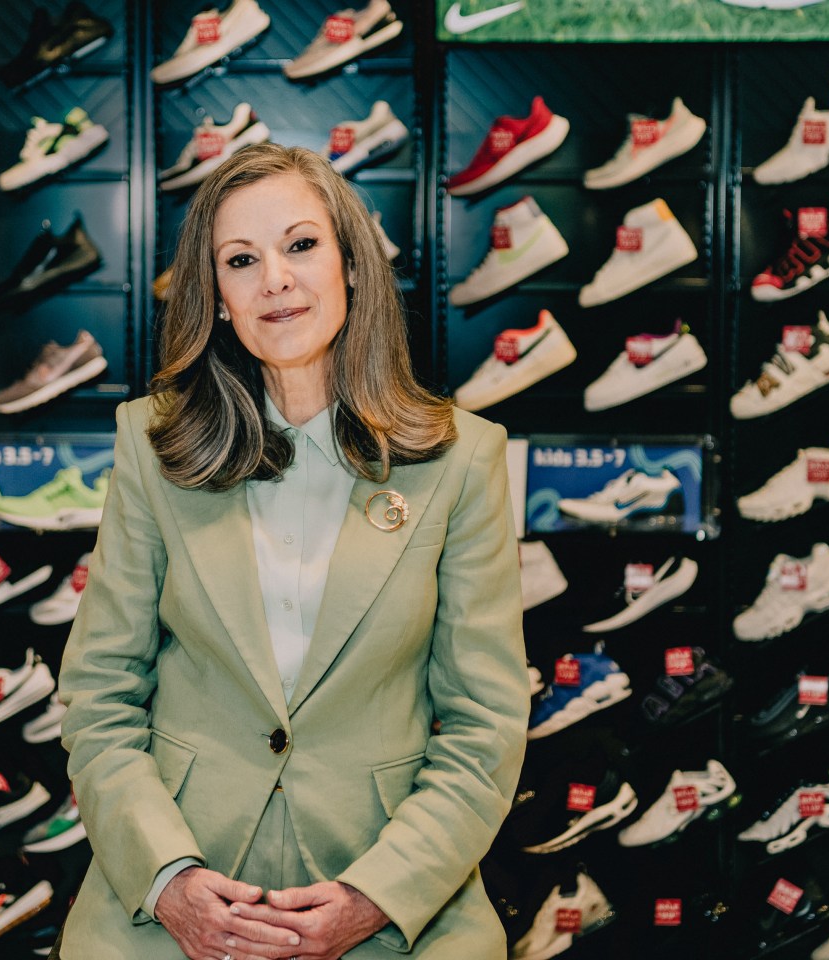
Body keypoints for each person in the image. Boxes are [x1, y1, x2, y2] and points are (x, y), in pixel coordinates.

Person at [57, 142, 528, 960]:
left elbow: (485, 726)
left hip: (388, 898)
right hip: (177, 903)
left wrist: (374, 896)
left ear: (351, 267)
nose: (274, 278)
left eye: (301, 245)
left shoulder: (463, 460)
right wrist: (169, 880)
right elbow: (99, 697)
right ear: (220, 298)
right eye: (241, 260)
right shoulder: (151, 444)